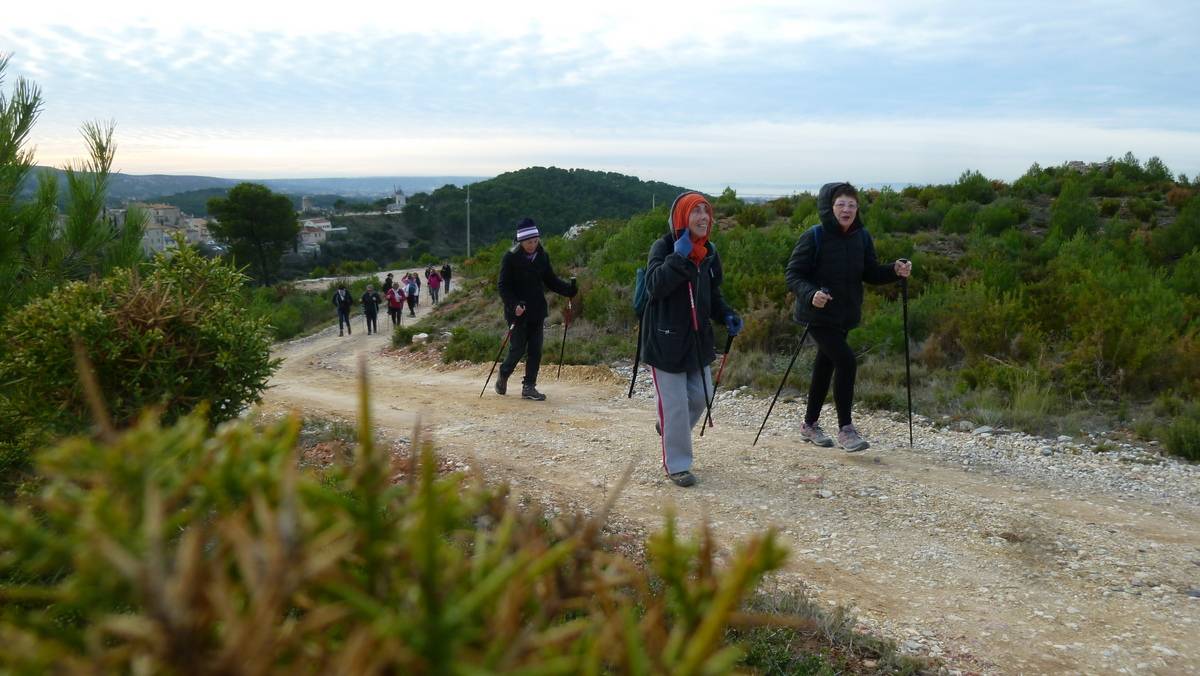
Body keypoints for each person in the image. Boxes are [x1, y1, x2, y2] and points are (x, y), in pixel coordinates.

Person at [785, 182, 913, 452]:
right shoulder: (815, 236)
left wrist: (894, 270)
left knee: (825, 365)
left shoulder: (861, 237)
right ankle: (846, 430)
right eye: (841, 204)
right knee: (845, 361)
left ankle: (809, 425)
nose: (847, 209)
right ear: (829, 208)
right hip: (817, 315)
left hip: (844, 315)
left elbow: (870, 273)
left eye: (852, 205)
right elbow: (793, 274)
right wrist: (811, 294)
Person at [641, 192, 740, 488]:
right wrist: (678, 256)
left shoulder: (709, 252)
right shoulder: (664, 247)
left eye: (706, 211)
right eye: (695, 211)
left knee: (701, 398)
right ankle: (678, 465)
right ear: (682, 216)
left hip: (697, 340)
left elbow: (713, 293)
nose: (702, 217)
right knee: (675, 407)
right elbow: (654, 286)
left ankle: (669, 428)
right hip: (664, 341)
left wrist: (726, 314)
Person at [495, 217, 578, 401]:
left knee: (535, 349)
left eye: (535, 240)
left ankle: (529, 387)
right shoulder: (510, 258)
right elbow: (503, 286)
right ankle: (504, 373)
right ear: (520, 241)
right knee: (517, 349)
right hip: (517, 313)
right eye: (528, 242)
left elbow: (551, 280)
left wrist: (568, 290)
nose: (533, 245)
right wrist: (514, 304)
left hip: (537, 311)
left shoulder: (542, 256)